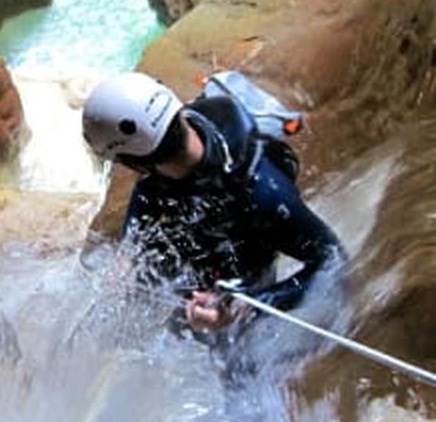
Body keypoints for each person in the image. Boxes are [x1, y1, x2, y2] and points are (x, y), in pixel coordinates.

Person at [81, 71, 345, 335]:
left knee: (223, 344)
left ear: (133, 163)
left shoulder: (261, 191)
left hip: (244, 268)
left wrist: (250, 307)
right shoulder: (171, 147)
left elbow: (334, 260)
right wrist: (127, 255)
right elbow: (147, 192)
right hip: (206, 245)